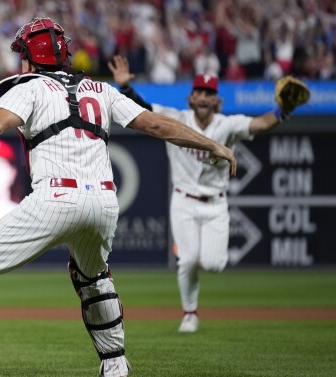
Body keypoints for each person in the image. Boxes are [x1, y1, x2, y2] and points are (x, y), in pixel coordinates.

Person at [0, 17, 236, 377]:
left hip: (56, 196)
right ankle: (116, 368)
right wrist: (213, 144)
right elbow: (155, 124)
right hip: (105, 201)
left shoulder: (30, 86)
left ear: (28, 56)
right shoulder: (100, 89)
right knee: (94, 277)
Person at [108, 54, 298, 333]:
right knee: (186, 260)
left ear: (216, 100)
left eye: (209, 93)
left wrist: (281, 112)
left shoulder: (227, 125)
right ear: (191, 97)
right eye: (199, 92)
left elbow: (259, 124)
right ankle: (189, 313)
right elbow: (144, 109)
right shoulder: (176, 118)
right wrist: (125, 88)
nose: (203, 97)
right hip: (183, 200)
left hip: (215, 204)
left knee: (214, 264)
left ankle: (194, 266)